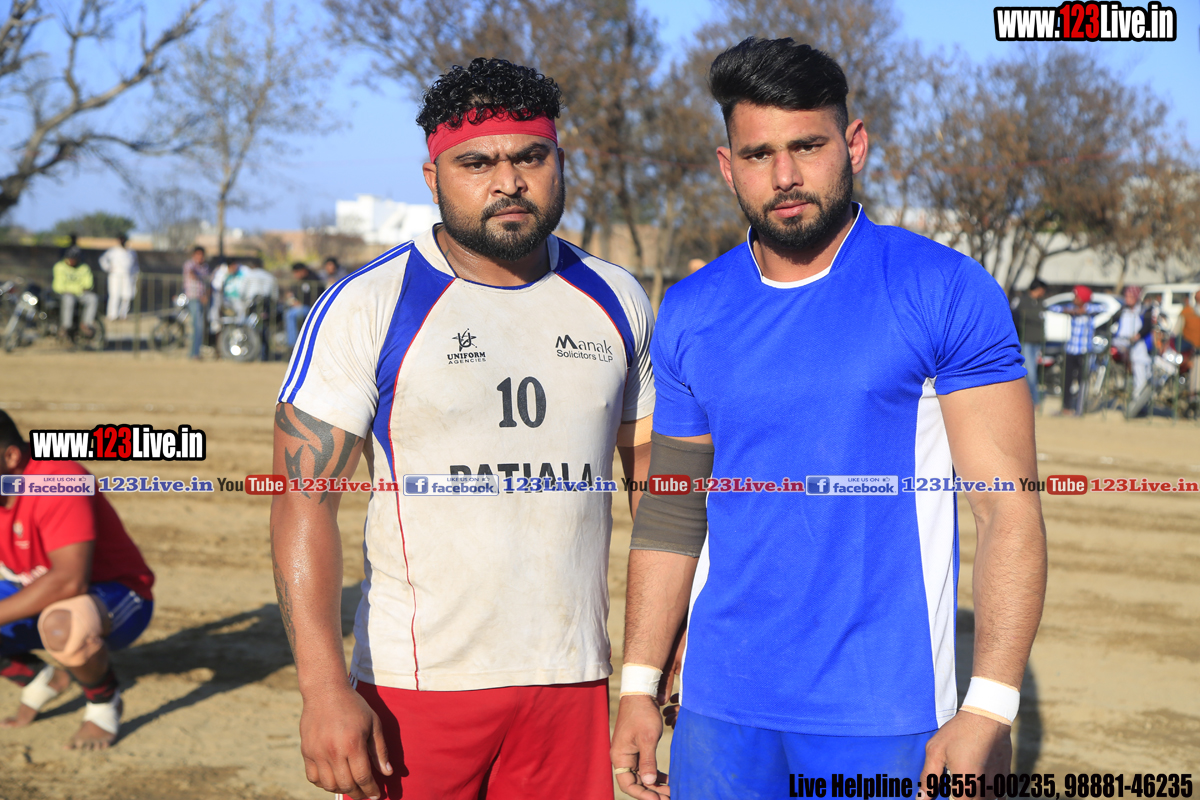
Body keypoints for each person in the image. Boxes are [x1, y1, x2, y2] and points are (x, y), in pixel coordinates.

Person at [610, 38, 1048, 799]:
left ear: (855, 145)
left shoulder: (943, 288)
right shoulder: (691, 309)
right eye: (759, 154)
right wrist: (640, 683)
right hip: (720, 707)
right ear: (728, 167)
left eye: (807, 147)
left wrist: (990, 706)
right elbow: (673, 512)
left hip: (884, 708)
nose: (784, 176)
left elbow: (1007, 511)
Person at [271, 57, 655, 800]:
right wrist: (321, 689)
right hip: (416, 685)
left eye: (530, 158)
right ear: (433, 176)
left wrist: (656, 659)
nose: (507, 182)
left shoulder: (617, 297)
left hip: (572, 678)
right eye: (476, 163)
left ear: (560, 163)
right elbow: (301, 503)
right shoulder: (368, 303)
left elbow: (657, 493)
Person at [0, 410, 155, 749]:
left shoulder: (59, 477)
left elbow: (69, 581)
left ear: (10, 457)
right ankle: (37, 678)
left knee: (64, 626)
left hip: (117, 596)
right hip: (35, 589)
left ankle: (104, 701)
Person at [1047, 286, 1107, 416]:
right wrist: (1069, 310)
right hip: (1071, 349)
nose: (1074, 299)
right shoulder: (1071, 308)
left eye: (1076, 297)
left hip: (1084, 350)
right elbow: (1052, 308)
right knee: (1067, 380)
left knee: (1082, 380)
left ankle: (1080, 408)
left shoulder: (1090, 309)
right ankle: (1066, 407)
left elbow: (1104, 308)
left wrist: (1085, 310)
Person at [1012, 278, 1047, 406]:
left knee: (1035, 371)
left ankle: (1032, 398)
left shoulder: (1041, 302)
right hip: (1025, 341)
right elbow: (1020, 316)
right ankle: (1034, 400)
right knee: (1030, 372)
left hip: (1037, 341)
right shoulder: (1023, 301)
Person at [52, 247, 99, 337]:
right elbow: (58, 286)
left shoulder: (84, 268)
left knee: (93, 298)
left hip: (80, 294)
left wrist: (75, 289)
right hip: (65, 294)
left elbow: (88, 284)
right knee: (69, 299)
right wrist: (74, 289)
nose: (71, 261)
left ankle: (86, 324)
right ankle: (66, 326)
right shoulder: (59, 267)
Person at [99, 234, 139, 321]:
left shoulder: (131, 252)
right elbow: (102, 259)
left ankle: (123, 314)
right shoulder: (113, 251)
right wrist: (108, 268)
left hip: (127, 276)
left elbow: (135, 265)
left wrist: (135, 275)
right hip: (115, 276)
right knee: (114, 295)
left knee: (127, 296)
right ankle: (112, 315)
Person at [284, 263, 323, 348]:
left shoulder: (314, 280)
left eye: (297, 272)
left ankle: (292, 345)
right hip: (298, 307)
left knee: (289, 315)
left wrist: (301, 303)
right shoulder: (299, 281)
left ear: (303, 271)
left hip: (311, 308)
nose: (296, 275)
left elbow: (315, 297)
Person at [182, 246, 210, 360]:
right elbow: (191, 273)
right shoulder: (190, 264)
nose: (200, 257)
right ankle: (194, 353)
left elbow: (207, 282)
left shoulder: (205, 267)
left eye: (201, 255)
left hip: (202, 299)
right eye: (198, 255)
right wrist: (198, 274)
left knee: (200, 326)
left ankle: (196, 352)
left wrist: (206, 295)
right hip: (193, 298)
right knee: (197, 325)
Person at [1179, 289, 1200, 401]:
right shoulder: (1187, 312)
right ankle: (1192, 396)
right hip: (1187, 350)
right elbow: (1176, 331)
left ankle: (1194, 395)